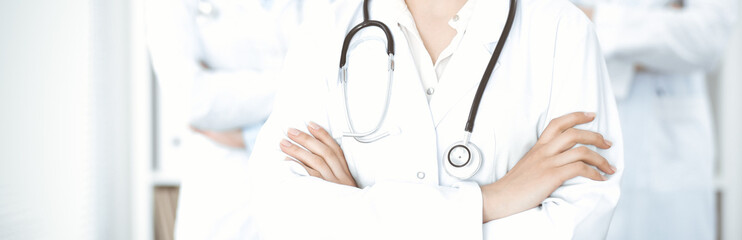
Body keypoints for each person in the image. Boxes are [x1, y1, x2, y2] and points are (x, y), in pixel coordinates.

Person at [244, 0, 624, 239]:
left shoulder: (561, 30)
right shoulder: (325, 32)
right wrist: (492, 201)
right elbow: (281, 213)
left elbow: (579, 221)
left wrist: (357, 213)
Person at [144, 0, 316, 238]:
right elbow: (192, 100)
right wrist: (300, 84)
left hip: (308, 187)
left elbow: (337, 87)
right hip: (223, 193)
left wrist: (246, 134)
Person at [573, 1, 737, 239]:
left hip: (669, 151)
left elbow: (708, 37)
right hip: (580, 130)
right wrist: (659, 32)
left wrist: (595, 21)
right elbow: (544, 33)